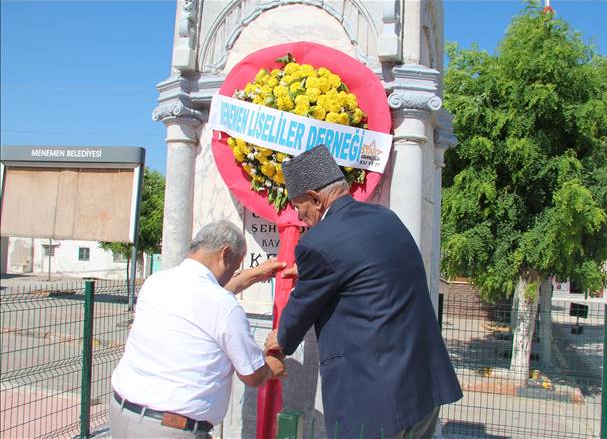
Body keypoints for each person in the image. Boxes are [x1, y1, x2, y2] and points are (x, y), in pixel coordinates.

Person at [265, 145, 462, 439]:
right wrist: (311, 273)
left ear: (316, 199)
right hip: (422, 387)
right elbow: (365, 272)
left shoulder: (317, 242)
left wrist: (279, 338)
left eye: (299, 206)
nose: (298, 216)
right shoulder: (386, 218)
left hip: (376, 401)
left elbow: (298, 314)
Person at [110, 220, 287, 438]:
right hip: (171, 430)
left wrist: (253, 274)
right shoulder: (224, 306)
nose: (234, 272)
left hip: (123, 415)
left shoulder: (156, 282)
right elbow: (253, 376)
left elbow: (206, 299)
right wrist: (271, 366)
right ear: (225, 254)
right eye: (235, 266)